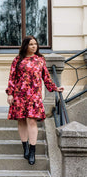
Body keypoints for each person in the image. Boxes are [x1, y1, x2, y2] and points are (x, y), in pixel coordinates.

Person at [6, 35, 64, 165]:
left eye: (35, 44)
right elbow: (12, 78)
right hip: (19, 95)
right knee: (21, 121)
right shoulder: (17, 60)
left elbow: (46, 78)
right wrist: (10, 94)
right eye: (31, 44)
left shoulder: (40, 60)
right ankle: (25, 147)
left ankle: (32, 150)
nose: (34, 46)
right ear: (25, 45)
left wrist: (55, 88)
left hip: (34, 96)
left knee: (32, 121)